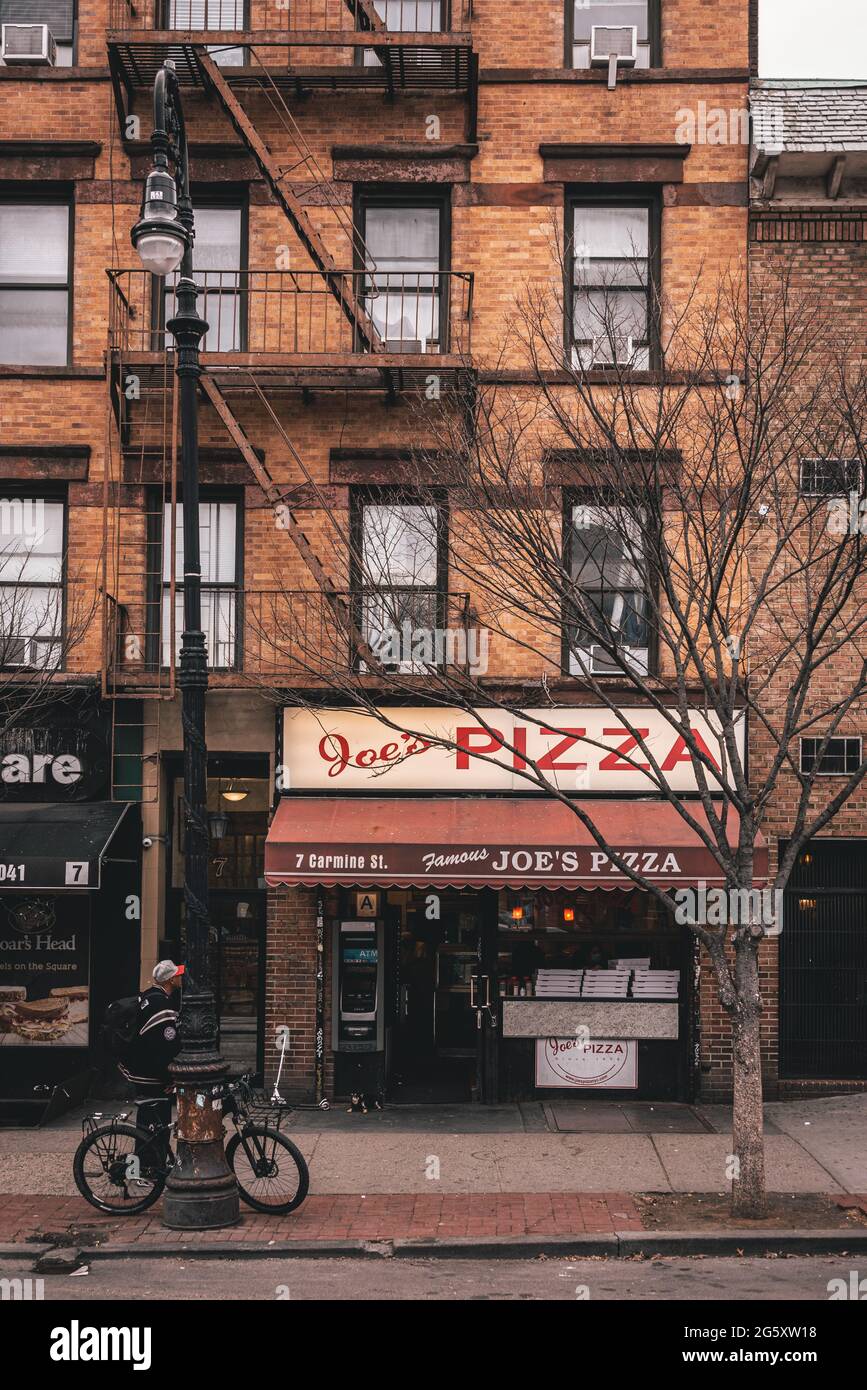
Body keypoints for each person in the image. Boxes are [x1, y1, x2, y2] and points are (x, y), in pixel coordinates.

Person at [118, 960, 184, 1170]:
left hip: (139, 1070)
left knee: (149, 1119)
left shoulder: (147, 996)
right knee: (155, 1122)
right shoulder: (161, 1005)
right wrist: (169, 1077)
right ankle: (148, 1167)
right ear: (171, 979)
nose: (181, 977)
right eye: (178, 974)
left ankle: (150, 1164)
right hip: (150, 1075)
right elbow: (162, 1047)